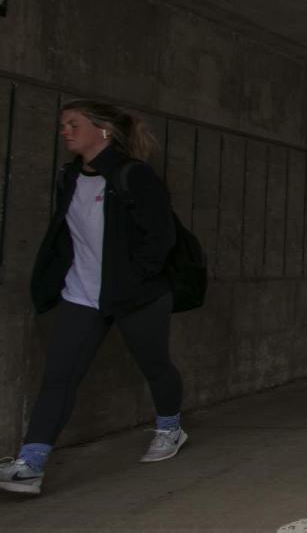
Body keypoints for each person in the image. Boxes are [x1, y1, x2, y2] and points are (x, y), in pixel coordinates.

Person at [0, 100, 187, 496]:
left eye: (73, 124)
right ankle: (30, 463)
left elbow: (161, 237)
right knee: (59, 377)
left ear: (103, 130)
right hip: (81, 294)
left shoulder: (133, 176)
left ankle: (170, 426)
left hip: (138, 295)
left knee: (155, 366)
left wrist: (135, 279)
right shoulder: (69, 176)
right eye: (63, 125)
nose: (65, 131)